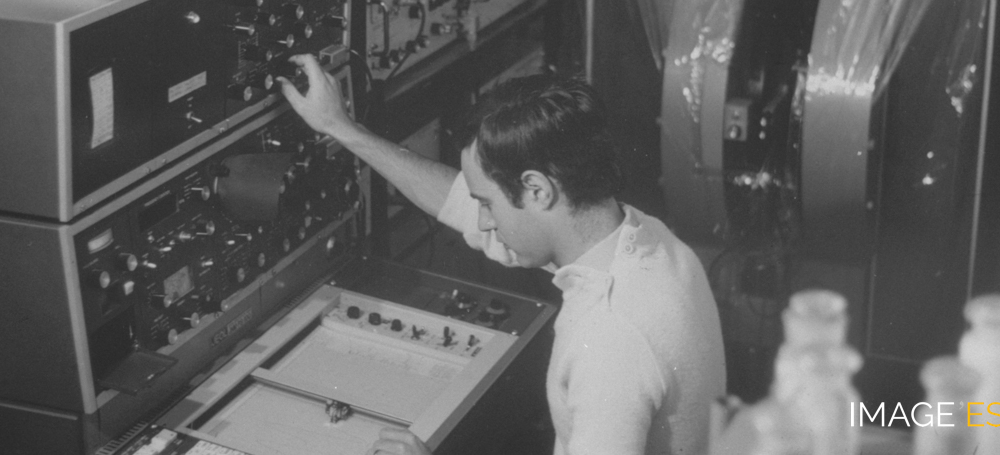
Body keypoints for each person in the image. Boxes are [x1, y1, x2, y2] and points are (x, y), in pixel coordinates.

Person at [279, 54, 727, 455]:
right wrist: (341, 127)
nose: (483, 221)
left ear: (537, 190)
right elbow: (457, 200)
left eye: (488, 204)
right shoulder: (643, 238)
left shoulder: (609, 342)